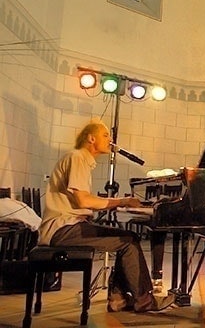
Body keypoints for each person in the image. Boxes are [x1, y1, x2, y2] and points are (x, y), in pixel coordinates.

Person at [38, 120, 175, 312]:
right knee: (128, 241)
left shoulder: (81, 160)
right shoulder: (77, 157)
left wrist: (121, 203)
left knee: (126, 240)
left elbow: (84, 201)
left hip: (68, 226)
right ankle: (144, 301)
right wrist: (122, 201)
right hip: (62, 229)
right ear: (91, 138)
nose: (110, 140)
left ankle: (118, 299)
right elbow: (84, 202)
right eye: (105, 135)